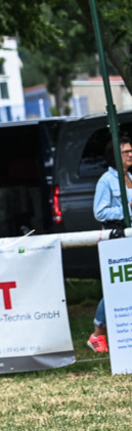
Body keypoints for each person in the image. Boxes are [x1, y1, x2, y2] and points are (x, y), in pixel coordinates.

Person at [88, 133, 132, 353]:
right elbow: (100, 212)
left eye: (131, 151)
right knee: (117, 286)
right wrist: (126, 210)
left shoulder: (130, 176)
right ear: (115, 155)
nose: (130, 155)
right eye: (126, 152)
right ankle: (97, 334)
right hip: (117, 238)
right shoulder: (106, 180)